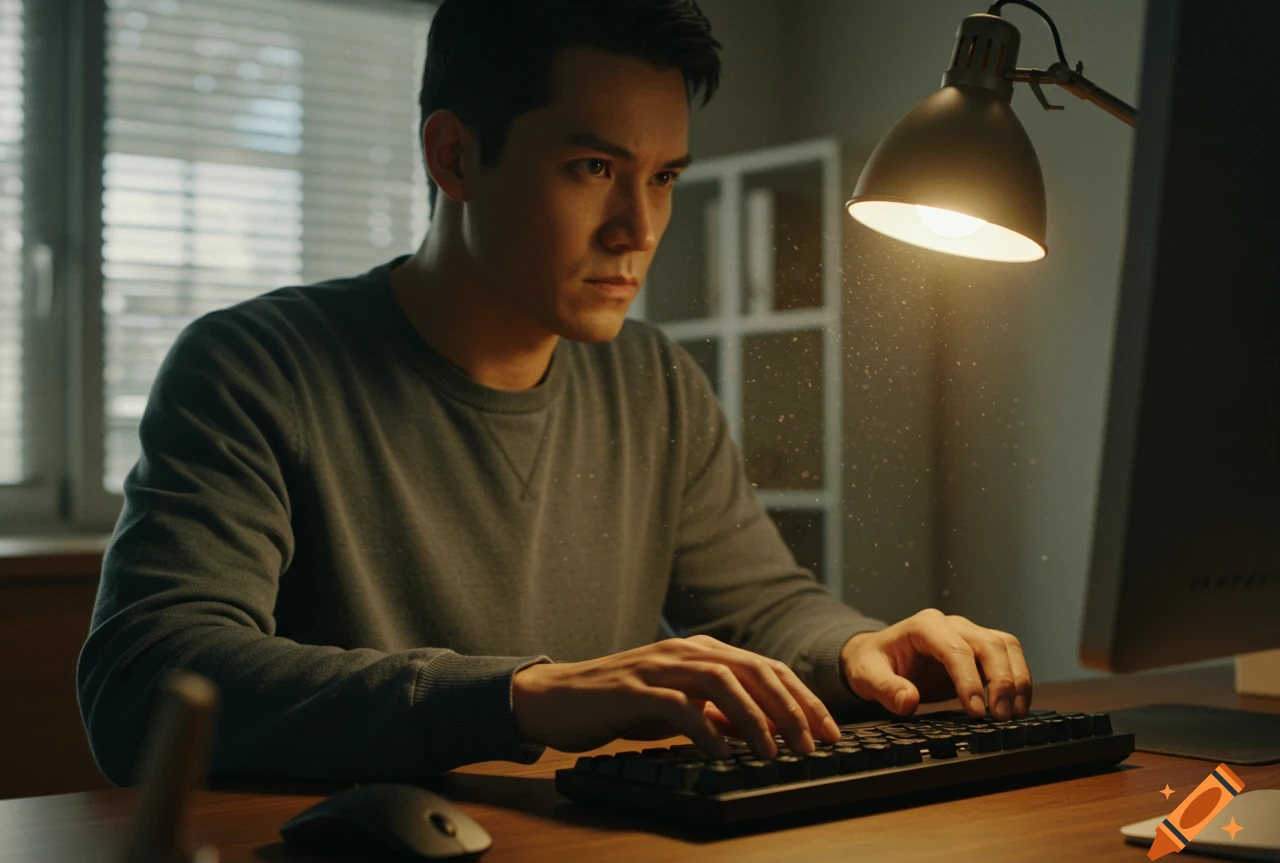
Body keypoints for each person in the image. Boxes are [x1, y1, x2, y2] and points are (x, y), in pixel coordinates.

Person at [76, 0, 1033, 787]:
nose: (638, 227)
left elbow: (765, 610)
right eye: (593, 169)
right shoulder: (254, 367)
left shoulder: (654, 381)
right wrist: (523, 695)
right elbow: (147, 683)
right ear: (453, 157)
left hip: (581, 860)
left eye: (663, 177)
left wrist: (869, 648)